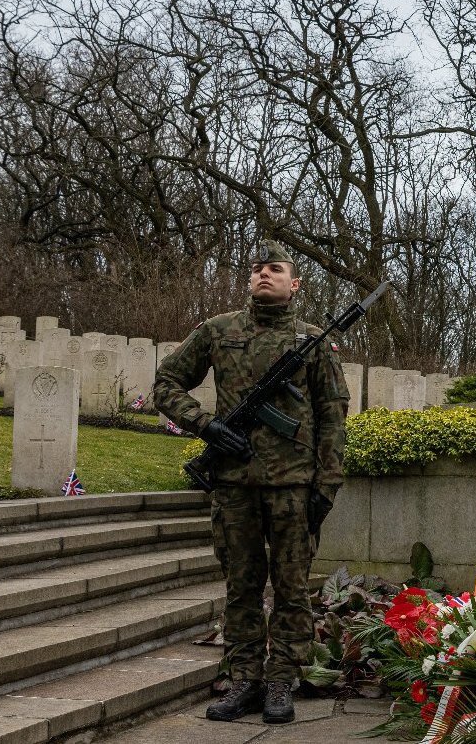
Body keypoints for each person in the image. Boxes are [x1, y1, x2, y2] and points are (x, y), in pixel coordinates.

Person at [154, 241, 349, 724]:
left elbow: (332, 415)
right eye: (258, 268)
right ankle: (244, 679)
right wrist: (204, 424)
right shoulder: (218, 331)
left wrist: (327, 484)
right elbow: (166, 384)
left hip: (293, 487)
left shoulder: (313, 341)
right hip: (234, 484)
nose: (265, 274)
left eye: (276, 268)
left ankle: (281, 680)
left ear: (294, 283)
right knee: (241, 586)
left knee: (292, 588)